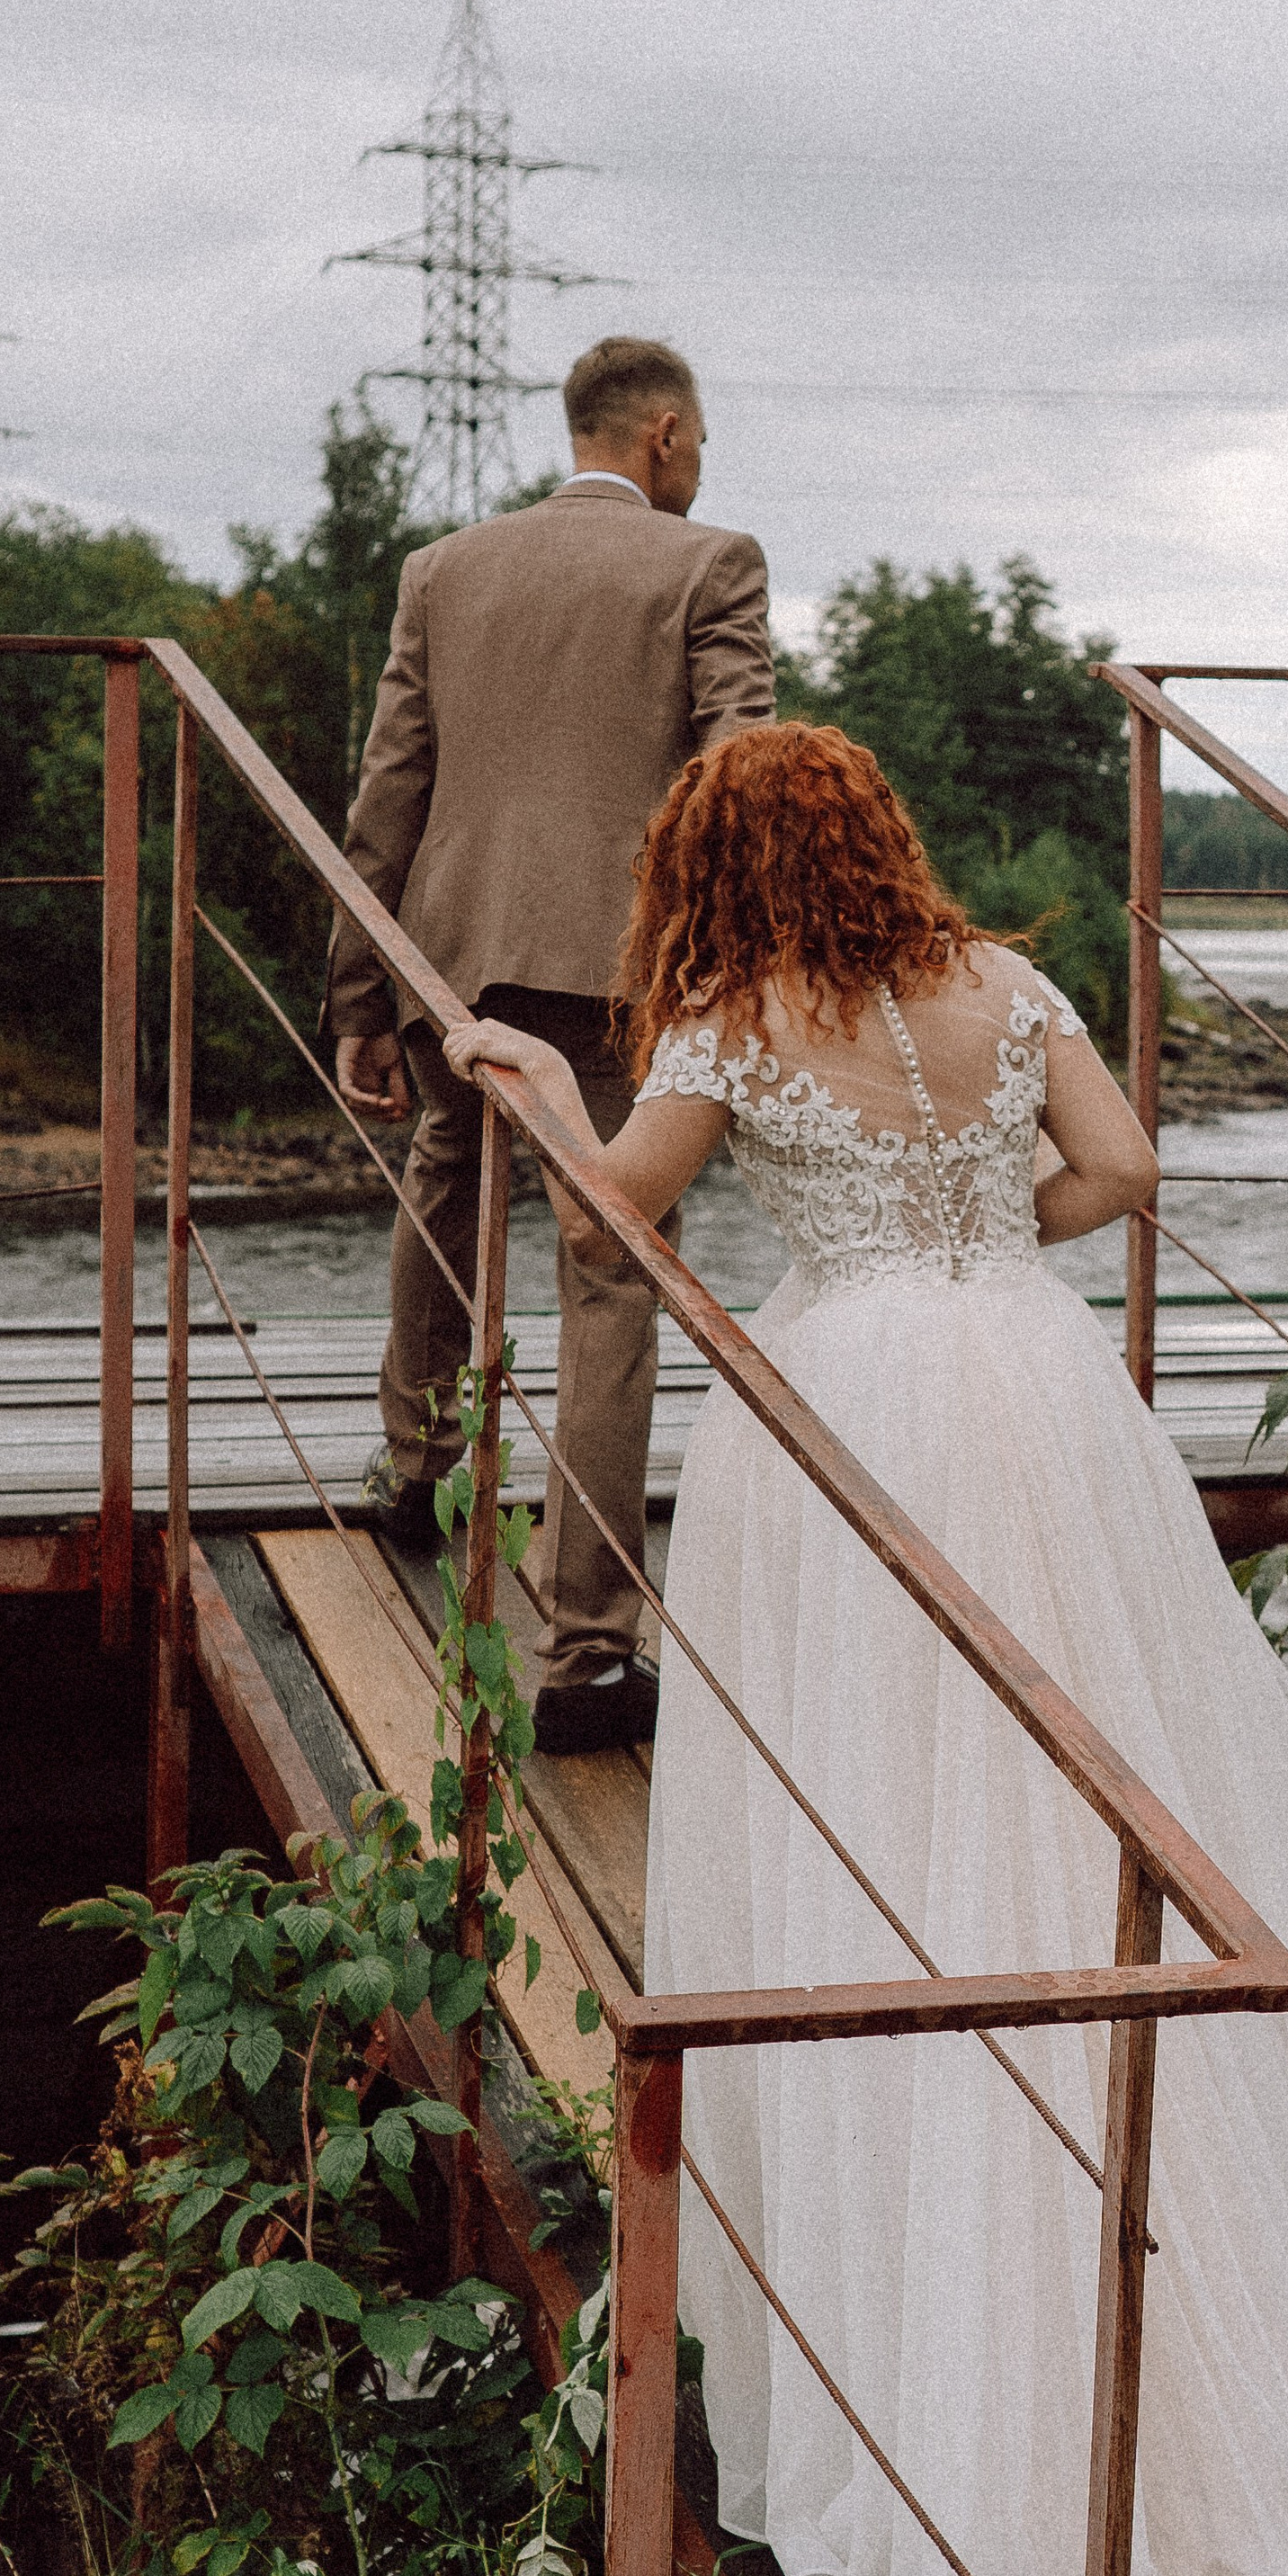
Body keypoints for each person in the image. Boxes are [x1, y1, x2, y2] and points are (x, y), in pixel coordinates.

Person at [443, 720, 1288, 2576]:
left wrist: (528, 1087)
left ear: (709, 865)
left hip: (862, 1401)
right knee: (1121, 1767)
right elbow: (1126, 1176)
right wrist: (997, 1239)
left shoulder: (729, 1009)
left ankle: (932, 2296)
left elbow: (621, 1226)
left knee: (894, 1806)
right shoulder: (1012, 984)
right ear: (885, 839)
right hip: (1043, 1390)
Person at [329, 334, 772, 1754]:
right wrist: (733, 966)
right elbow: (733, 774)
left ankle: (418, 1463)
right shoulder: (710, 565)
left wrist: (361, 991)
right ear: (658, 434)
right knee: (612, 1269)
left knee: (445, 1185)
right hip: (624, 966)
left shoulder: (445, 571)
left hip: (458, 956)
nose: (701, 464)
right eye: (695, 441)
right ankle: (585, 1651)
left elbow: (392, 779)